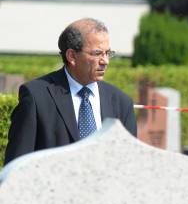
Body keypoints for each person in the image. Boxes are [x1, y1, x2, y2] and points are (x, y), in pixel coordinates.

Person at [4, 18, 136, 165]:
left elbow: (128, 164)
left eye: (108, 53)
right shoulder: (37, 97)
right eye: (97, 53)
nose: (105, 61)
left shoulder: (121, 103)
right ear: (72, 56)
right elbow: (16, 166)